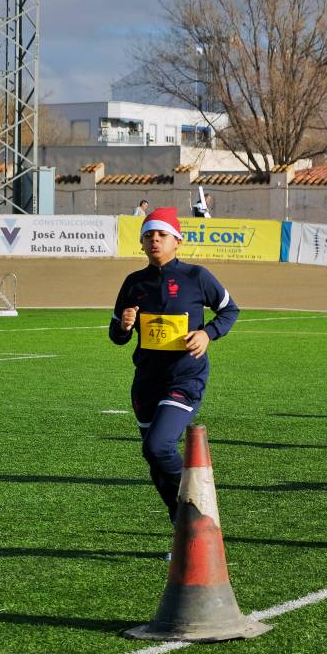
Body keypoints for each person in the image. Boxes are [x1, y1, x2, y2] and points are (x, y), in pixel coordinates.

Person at [109, 207, 239, 525]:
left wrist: (207, 333)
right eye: (149, 235)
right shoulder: (133, 283)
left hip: (185, 376)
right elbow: (116, 335)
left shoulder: (197, 277)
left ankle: (196, 506)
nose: (155, 240)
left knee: (159, 445)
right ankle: (182, 520)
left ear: (177, 241)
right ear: (141, 243)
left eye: (162, 235)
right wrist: (124, 326)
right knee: (154, 457)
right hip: (147, 381)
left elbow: (229, 310)